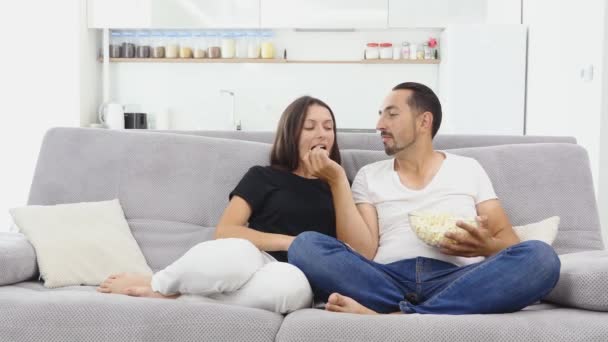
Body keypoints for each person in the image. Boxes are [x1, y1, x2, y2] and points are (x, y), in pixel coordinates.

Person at [287, 82, 561, 315]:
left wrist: (486, 246)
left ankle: (397, 315)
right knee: (305, 246)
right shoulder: (369, 175)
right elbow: (362, 252)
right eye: (381, 115)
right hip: (384, 279)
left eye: (391, 115)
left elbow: (510, 243)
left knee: (541, 257)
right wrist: (337, 181)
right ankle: (431, 312)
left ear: (423, 121)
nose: (379, 125)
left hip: (457, 278)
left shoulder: (468, 168)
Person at [97, 95, 341, 314]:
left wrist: (336, 180)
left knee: (291, 290)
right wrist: (291, 242)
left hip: (295, 273)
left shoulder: (339, 184)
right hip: (257, 255)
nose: (322, 133)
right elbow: (226, 231)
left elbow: (357, 248)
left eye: (328, 127)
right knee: (235, 254)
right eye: (310, 127)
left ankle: (176, 297)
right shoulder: (263, 176)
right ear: (291, 135)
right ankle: (158, 282)